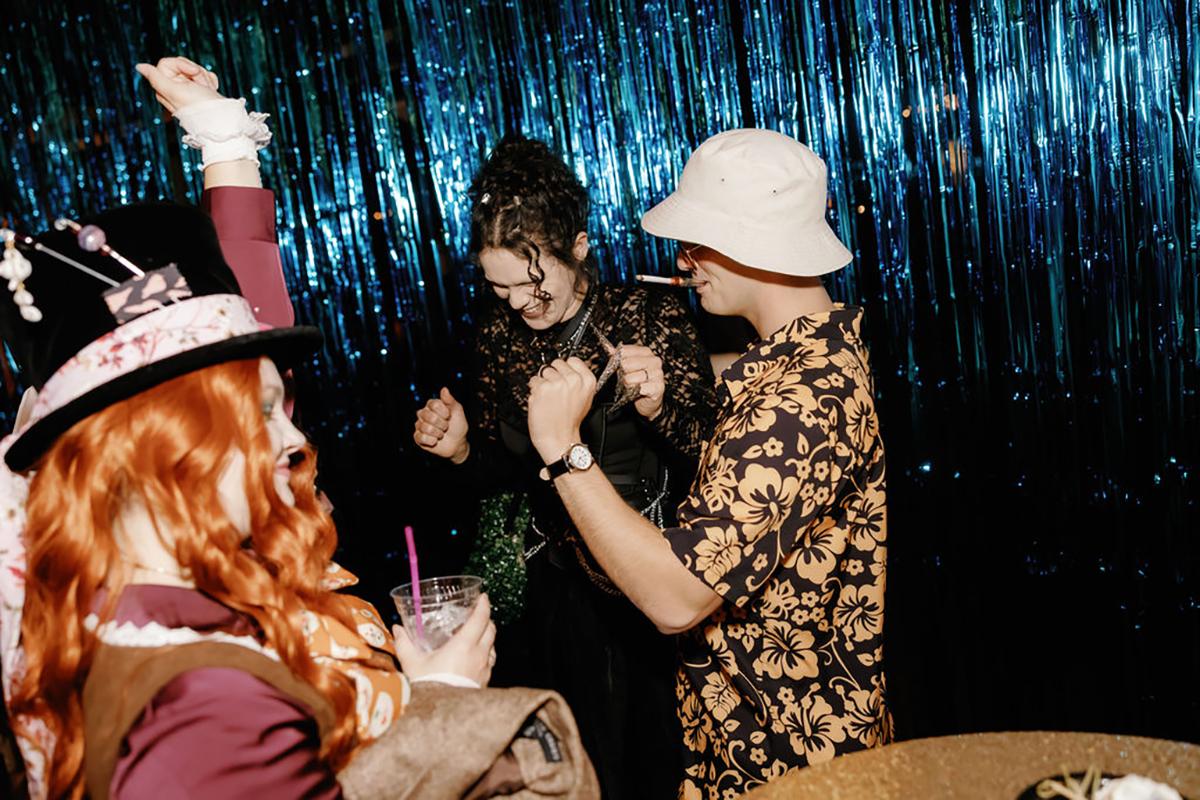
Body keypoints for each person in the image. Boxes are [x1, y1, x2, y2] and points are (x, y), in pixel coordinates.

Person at [0, 59, 597, 800]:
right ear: (155, 452)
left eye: (275, 406)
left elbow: (225, 340)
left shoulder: (147, 587)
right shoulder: (197, 701)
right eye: (253, 415)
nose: (292, 440)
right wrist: (437, 710)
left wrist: (226, 147)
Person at [524, 129, 893, 796]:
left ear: (753, 246)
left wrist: (564, 448)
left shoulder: (798, 403)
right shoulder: (806, 357)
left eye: (697, 244)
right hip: (753, 740)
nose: (685, 262)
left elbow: (674, 597)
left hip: (789, 762)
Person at [412, 135, 717, 798]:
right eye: (502, 288)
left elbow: (708, 454)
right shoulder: (500, 335)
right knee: (579, 770)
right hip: (559, 597)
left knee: (656, 768)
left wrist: (660, 406)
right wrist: (463, 449)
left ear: (578, 245)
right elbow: (509, 475)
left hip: (646, 584)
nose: (521, 303)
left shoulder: (646, 314)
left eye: (533, 281)